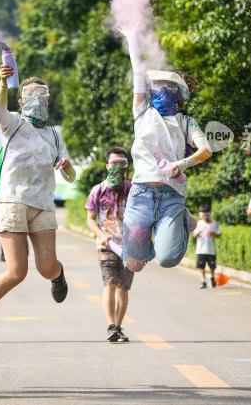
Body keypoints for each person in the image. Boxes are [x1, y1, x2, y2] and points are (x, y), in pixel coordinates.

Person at [0, 66, 76, 343]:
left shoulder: (54, 134)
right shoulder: (13, 122)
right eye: (32, 94)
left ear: (49, 99)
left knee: (47, 268)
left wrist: (67, 167)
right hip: (13, 202)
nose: (38, 99)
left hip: (42, 204)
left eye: (43, 94)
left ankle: (58, 275)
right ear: (22, 100)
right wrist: (3, 83)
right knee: (17, 272)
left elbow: (71, 175)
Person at [119, 29, 213, 273]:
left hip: (171, 195)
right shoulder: (142, 111)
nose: (162, 87)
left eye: (169, 85)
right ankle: (151, 237)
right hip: (140, 195)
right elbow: (138, 72)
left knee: (167, 260)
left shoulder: (186, 121)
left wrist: (181, 165)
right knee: (133, 264)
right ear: (150, 90)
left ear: (178, 92)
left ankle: (182, 217)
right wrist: (131, 39)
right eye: (157, 84)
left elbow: (206, 150)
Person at [85, 146, 134, 342]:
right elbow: (90, 219)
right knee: (110, 284)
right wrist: (101, 234)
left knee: (123, 287)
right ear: (107, 166)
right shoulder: (98, 190)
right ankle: (111, 326)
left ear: (127, 167)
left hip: (130, 246)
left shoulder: (133, 189)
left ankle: (119, 327)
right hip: (106, 245)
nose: (118, 168)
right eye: (114, 164)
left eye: (122, 164)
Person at [192, 203, 221, 288]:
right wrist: (201, 230)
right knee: (201, 266)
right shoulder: (199, 223)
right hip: (201, 250)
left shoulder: (214, 224)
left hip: (211, 250)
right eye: (203, 215)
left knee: (212, 266)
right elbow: (195, 235)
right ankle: (203, 281)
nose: (205, 217)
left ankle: (212, 277)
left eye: (207, 215)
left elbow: (218, 235)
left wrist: (213, 233)